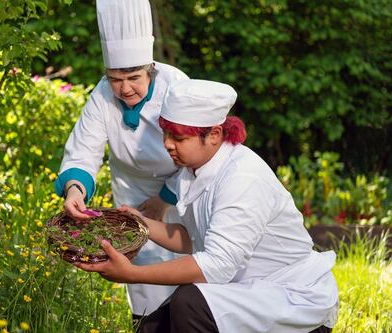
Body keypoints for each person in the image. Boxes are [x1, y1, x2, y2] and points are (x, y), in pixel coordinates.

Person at [75, 79, 340, 333]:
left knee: (189, 302)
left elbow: (216, 264)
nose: (167, 143)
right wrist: (140, 224)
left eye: (178, 137)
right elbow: (194, 237)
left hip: (291, 302)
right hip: (249, 290)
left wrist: (132, 274)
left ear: (214, 135)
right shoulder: (192, 171)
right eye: (166, 133)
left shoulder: (241, 178)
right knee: (152, 327)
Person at [55, 0, 188, 319]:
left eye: (133, 77)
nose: (124, 88)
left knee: (193, 277)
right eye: (116, 78)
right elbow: (84, 149)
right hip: (134, 196)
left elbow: (197, 156)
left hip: (183, 191)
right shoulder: (102, 95)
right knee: (146, 289)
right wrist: (75, 189)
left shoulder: (177, 87)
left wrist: (164, 200)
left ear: (150, 68)